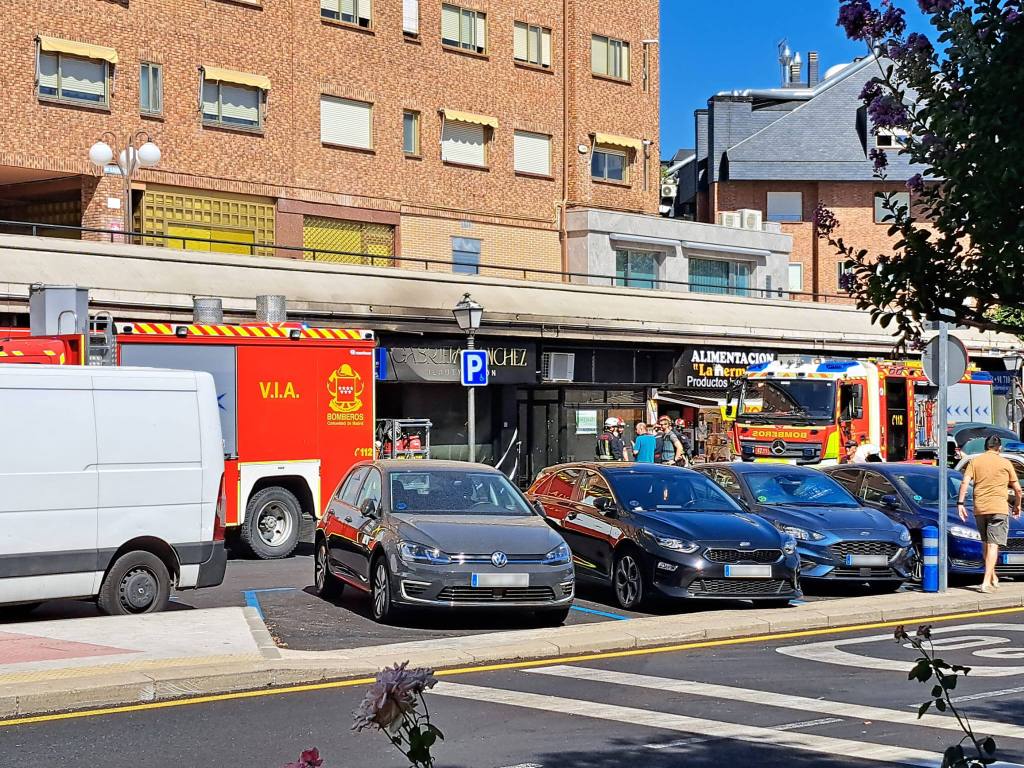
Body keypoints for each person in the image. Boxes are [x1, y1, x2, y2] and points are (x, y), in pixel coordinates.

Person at [957, 435, 1022, 593]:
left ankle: (992, 575)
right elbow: (1018, 489)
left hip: (980, 508)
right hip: (999, 508)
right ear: (999, 448)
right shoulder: (1005, 463)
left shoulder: (975, 462)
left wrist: (960, 504)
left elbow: (965, 482)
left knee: (986, 543)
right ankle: (986, 582)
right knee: (993, 544)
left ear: (985, 447)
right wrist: (1017, 505)